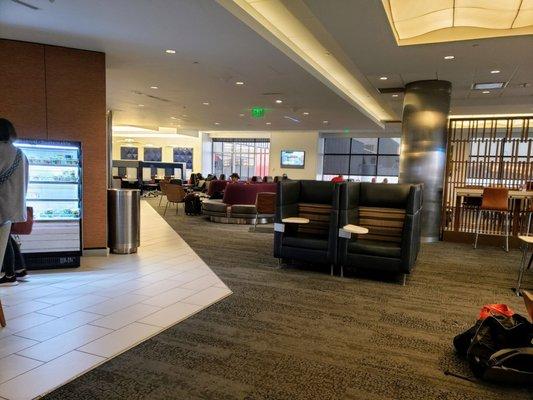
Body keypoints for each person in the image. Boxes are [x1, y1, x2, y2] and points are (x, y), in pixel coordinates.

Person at [0, 118, 29, 286]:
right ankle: (19, 269)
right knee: (7, 235)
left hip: (2, 202)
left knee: (4, 238)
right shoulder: (20, 153)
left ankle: (10, 274)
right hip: (14, 202)